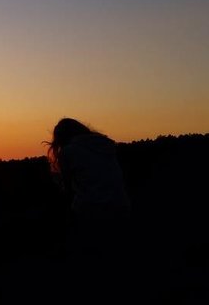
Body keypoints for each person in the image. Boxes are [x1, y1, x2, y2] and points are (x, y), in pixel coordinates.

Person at [46, 118, 130, 301]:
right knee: (117, 258)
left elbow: (66, 188)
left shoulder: (69, 152)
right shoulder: (105, 146)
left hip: (92, 210)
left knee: (92, 259)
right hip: (121, 205)